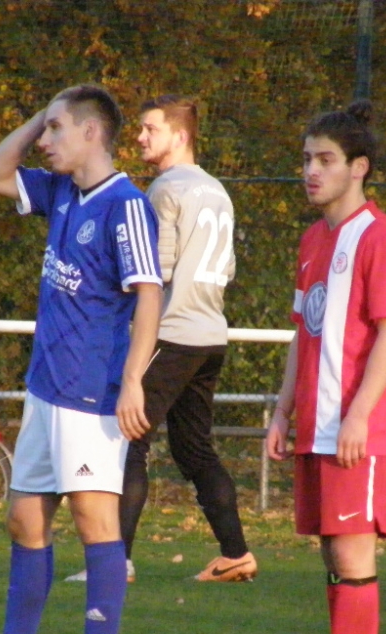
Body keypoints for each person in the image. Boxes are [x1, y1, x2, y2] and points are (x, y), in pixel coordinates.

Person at [0, 84, 163, 634]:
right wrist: (42, 113)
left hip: (93, 393)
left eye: (57, 129)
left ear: (93, 133)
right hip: (46, 387)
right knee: (24, 518)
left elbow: (149, 294)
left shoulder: (127, 206)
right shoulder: (62, 189)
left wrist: (132, 382)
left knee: (96, 522)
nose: (45, 141)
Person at [64, 95, 256, 585]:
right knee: (194, 451)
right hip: (211, 335)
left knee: (125, 442)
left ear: (180, 135)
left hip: (171, 334)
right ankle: (235, 553)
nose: (141, 138)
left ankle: (113, 564)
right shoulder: (218, 191)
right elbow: (228, 269)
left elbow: (156, 270)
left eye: (151, 129)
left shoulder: (165, 189)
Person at [265, 99, 386, 634]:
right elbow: (305, 333)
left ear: (360, 167)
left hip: (358, 429)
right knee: (333, 553)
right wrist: (279, 413)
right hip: (315, 426)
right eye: (306, 160)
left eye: (325, 160)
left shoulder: (383, 240)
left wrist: (358, 415)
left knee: (353, 555)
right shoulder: (311, 240)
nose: (311, 172)